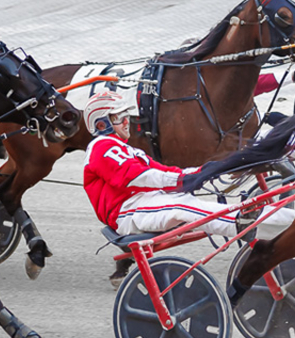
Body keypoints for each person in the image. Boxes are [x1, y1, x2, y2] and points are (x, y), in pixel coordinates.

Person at [82, 91, 249, 238]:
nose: (127, 122)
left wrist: (203, 171)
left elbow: (163, 170)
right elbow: (136, 176)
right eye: (119, 118)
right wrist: (183, 180)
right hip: (127, 212)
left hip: (144, 203)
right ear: (101, 124)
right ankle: (240, 222)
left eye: (126, 116)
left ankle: (247, 216)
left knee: (185, 200)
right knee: (181, 206)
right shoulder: (101, 146)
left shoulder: (128, 150)